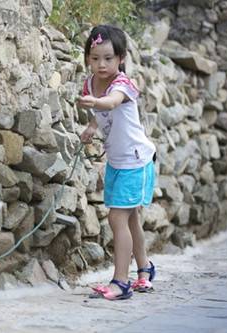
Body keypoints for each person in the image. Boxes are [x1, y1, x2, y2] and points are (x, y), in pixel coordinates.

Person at [77, 25, 157, 300]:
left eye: (108, 58)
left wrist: (94, 104)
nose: (101, 64)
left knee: (116, 217)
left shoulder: (123, 84)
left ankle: (121, 282)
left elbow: (110, 103)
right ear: (88, 57)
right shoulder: (89, 83)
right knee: (130, 219)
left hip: (136, 161)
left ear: (121, 58)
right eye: (95, 57)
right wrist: (90, 127)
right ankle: (145, 269)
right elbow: (99, 113)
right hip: (117, 162)